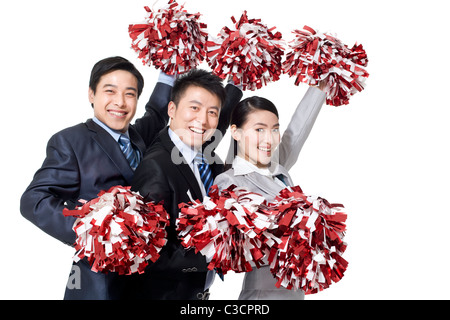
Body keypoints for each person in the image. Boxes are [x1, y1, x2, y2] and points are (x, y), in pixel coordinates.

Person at [20, 56, 173, 300]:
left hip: (146, 281)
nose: (120, 102)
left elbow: (156, 114)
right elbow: (33, 201)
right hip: (98, 284)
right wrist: (96, 232)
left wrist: (169, 70)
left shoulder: (138, 135)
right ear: (91, 94)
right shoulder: (70, 141)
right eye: (109, 91)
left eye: (130, 94)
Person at [129, 69, 242, 299]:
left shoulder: (207, 158)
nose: (202, 120)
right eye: (194, 108)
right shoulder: (156, 167)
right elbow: (149, 254)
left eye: (212, 112)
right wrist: (216, 253)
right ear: (172, 109)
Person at [214, 86, 326, 300]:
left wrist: (320, 87)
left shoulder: (277, 169)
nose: (269, 139)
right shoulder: (229, 182)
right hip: (261, 297)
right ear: (236, 132)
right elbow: (241, 248)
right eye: (259, 129)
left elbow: (296, 132)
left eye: (274, 129)